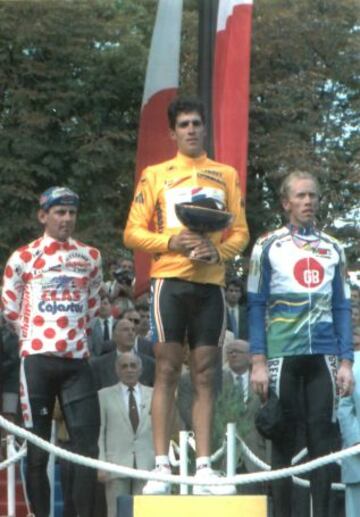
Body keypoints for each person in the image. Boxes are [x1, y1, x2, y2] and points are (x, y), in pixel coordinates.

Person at [124, 96, 249, 495]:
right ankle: (161, 466)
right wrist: (172, 241)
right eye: (184, 125)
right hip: (169, 282)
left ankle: (204, 468)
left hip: (210, 285)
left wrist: (220, 250)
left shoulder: (225, 174)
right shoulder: (155, 175)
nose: (192, 129)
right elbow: (132, 232)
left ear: (204, 128)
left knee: (207, 373)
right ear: (173, 132)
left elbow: (241, 232)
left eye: (197, 123)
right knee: (165, 369)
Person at [247, 171, 353, 516]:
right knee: (282, 439)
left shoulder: (333, 248)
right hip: (282, 354)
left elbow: (342, 306)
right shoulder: (267, 246)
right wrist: (258, 361)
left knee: (322, 442)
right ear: (285, 202)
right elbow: (255, 304)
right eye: (301, 196)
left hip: (323, 356)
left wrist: (346, 362)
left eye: (313, 196)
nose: (308, 201)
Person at [1, 186, 103, 517]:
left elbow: (93, 303)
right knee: (37, 450)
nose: (67, 219)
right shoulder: (23, 256)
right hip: (37, 361)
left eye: (72, 212)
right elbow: (9, 305)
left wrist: (72, 336)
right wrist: (33, 336)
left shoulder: (91, 256)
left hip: (76, 360)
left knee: (87, 448)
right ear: (43, 216)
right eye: (60, 212)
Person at [98, 352, 155, 517]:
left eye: (133, 365)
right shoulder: (103, 395)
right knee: (116, 513)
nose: (129, 370)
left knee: (145, 513)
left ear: (140, 369)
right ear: (117, 370)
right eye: (124, 366)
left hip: (146, 465)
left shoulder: (154, 394)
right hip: (115, 465)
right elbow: (100, 432)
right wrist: (101, 464)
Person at [90, 318, 155, 389]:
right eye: (125, 330)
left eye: (133, 330)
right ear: (114, 335)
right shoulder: (98, 365)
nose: (131, 333)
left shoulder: (150, 364)